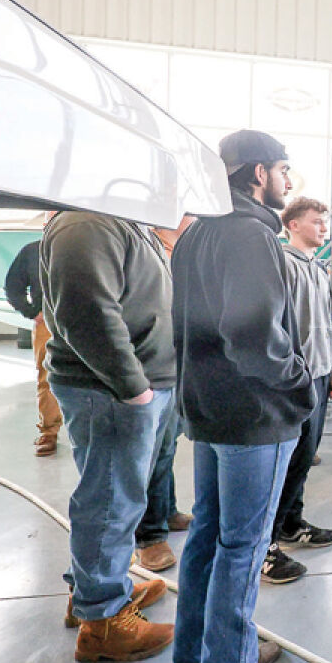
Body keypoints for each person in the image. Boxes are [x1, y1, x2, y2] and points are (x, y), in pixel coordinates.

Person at [170, 130, 312, 663]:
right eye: (282, 169)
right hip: (253, 417)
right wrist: (299, 382)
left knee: (207, 540)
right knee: (242, 551)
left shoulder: (196, 232)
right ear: (258, 173)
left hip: (209, 412)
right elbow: (254, 337)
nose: (288, 180)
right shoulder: (251, 235)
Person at [40, 211, 176, 661]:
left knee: (119, 498)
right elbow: (87, 312)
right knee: (111, 501)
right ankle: (103, 621)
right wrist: (133, 386)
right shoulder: (87, 222)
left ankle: (95, 588)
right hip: (111, 389)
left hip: (128, 387)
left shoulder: (126, 222)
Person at [261, 197, 332, 585]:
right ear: (293, 225)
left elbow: (326, 323)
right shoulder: (283, 265)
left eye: (325, 222)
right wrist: (293, 375)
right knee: (288, 462)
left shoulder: (319, 269)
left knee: (305, 457)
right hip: (298, 379)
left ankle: (291, 524)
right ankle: (266, 543)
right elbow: (275, 326)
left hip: (321, 375)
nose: (323, 228)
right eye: (316, 221)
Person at [132, 216, 198, 573]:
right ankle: (149, 537)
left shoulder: (177, 251)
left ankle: (166, 511)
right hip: (147, 374)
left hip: (174, 370)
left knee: (165, 450)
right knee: (148, 459)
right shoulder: (145, 246)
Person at [3, 232, 62, 456]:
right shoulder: (32, 251)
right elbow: (12, 287)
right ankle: (49, 431)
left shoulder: (88, 249)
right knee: (47, 376)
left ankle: (93, 432)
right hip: (47, 323)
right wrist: (32, 313)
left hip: (85, 321)